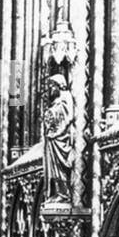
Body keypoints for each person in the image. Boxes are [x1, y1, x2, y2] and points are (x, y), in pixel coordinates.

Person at [42, 73, 74, 201]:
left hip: (61, 137)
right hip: (53, 138)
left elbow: (68, 116)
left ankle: (64, 194)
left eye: (52, 86)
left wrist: (56, 130)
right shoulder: (56, 100)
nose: (50, 89)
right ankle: (58, 192)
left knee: (60, 167)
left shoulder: (65, 97)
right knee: (53, 168)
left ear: (59, 85)